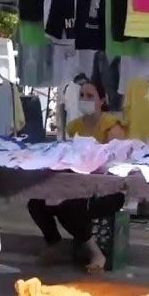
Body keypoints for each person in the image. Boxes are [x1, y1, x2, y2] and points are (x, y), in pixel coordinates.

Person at [29, 77, 125, 273]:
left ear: (102, 100)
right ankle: (54, 243)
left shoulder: (113, 128)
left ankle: (96, 253)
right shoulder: (74, 127)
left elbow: (117, 165)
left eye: (90, 96)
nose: (85, 99)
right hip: (76, 184)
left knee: (68, 207)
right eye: (82, 95)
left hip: (107, 190)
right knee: (36, 202)